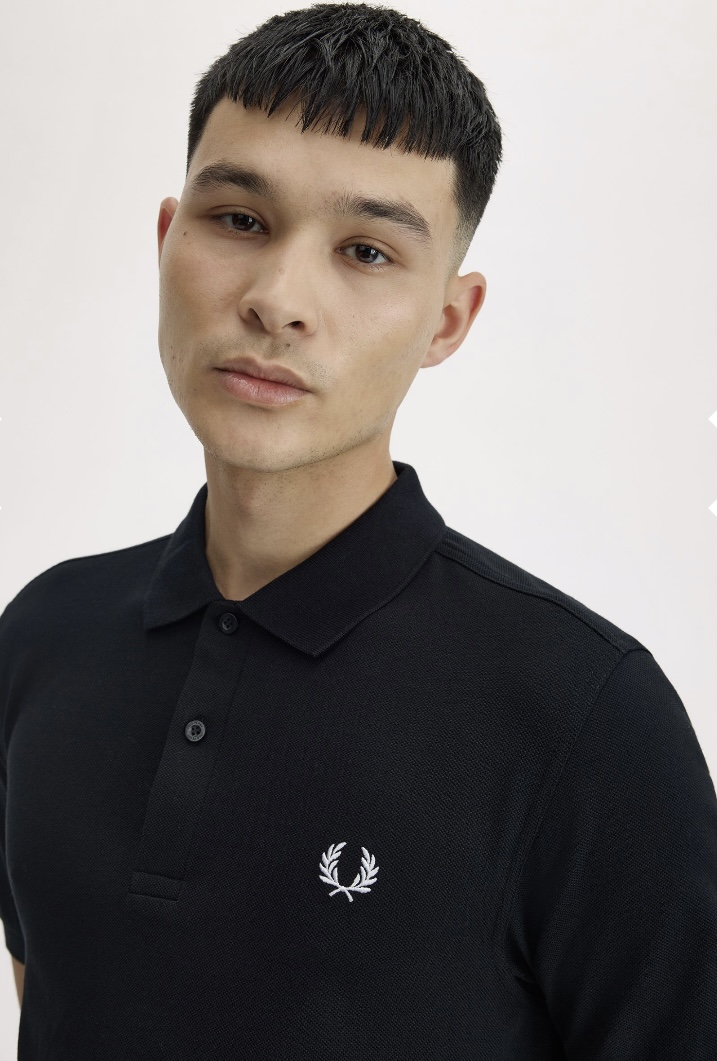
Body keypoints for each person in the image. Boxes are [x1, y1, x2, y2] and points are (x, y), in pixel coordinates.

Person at [1, 3, 715, 1057]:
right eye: (239, 220)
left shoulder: (585, 717)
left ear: (447, 321)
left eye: (367, 250)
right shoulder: (43, 636)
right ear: (167, 239)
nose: (278, 299)